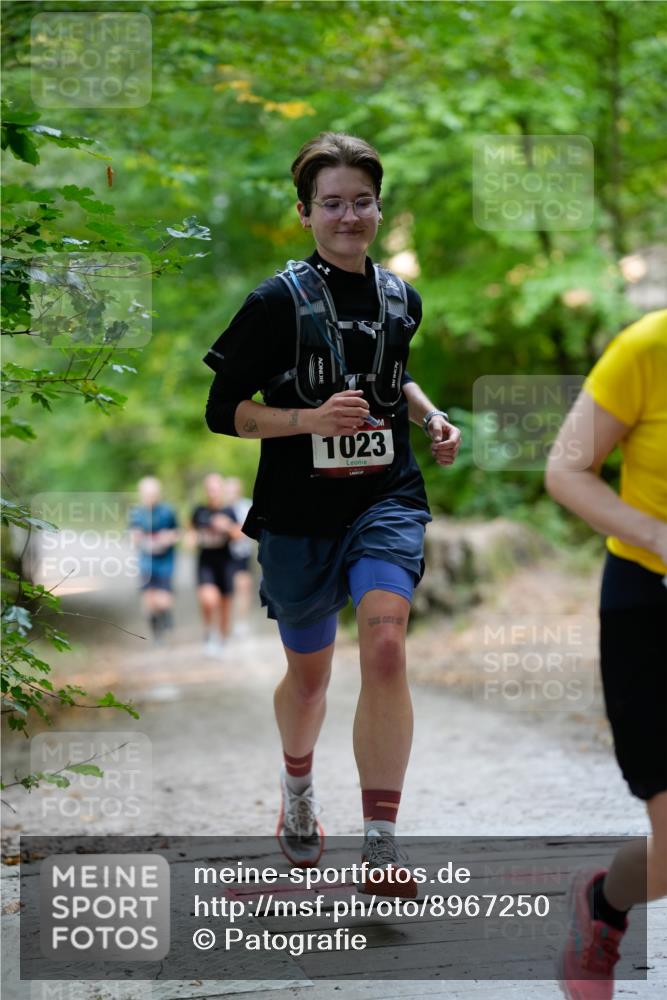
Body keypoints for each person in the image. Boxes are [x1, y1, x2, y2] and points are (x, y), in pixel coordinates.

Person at [204, 131, 461, 890]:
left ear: (378, 209)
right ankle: (296, 789)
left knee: (385, 646)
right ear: (305, 213)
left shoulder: (398, 296)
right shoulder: (273, 302)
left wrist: (427, 414)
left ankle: (380, 845)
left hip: (385, 498)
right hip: (296, 514)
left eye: (361, 202)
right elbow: (225, 412)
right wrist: (307, 419)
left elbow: (393, 373)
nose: (348, 216)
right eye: (331, 204)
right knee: (309, 679)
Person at [545, 309, 667, 999]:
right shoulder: (646, 348)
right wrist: (656, 535)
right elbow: (566, 470)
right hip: (647, 606)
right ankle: (603, 903)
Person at [189, 472, 243, 656]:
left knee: (225, 604)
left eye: (216, 488)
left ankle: (223, 639)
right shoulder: (199, 511)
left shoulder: (229, 511)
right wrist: (192, 539)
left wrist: (226, 526)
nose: (212, 492)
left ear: (221, 490)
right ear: (205, 490)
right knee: (208, 599)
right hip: (206, 561)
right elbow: (189, 532)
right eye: (209, 488)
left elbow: (239, 535)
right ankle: (209, 633)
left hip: (226, 562)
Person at [128, 476, 179, 642]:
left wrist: (168, 537)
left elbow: (178, 532)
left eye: (153, 494)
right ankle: (157, 634)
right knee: (149, 603)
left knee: (163, 601)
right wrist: (138, 538)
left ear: (159, 494)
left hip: (165, 562)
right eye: (147, 494)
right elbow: (132, 535)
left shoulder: (168, 511)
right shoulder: (136, 513)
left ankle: (166, 619)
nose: (150, 497)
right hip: (146, 563)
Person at [224, 476, 255, 637]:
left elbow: (246, 531)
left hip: (242, 553)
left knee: (243, 586)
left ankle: (241, 622)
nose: (230, 493)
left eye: (233, 489)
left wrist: (229, 528)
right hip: (223, 555)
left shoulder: (246, 505)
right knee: (227, 590)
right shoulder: (220, 507)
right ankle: (226, 622)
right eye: (227, 490)